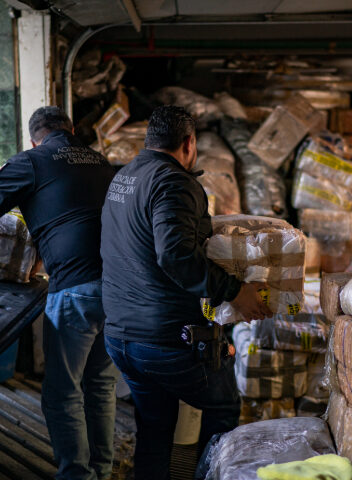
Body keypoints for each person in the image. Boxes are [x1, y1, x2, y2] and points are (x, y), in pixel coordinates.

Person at [100, 105, 270, 479]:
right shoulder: (175, 183)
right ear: (189, 143)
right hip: (164, 340)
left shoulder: (123, 177)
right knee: (222, 409)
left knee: (155, 426)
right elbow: (175, 256)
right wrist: (234, 290)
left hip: (121, 336)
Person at [0, 106, 118, 480]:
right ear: (70, 130)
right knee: (99, 385)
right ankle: (101, 470)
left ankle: (77, 476)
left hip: (75, 290)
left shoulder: (32, 160)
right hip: (120, 288)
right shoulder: (101, 161)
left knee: (62, 392)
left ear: (34, 138)